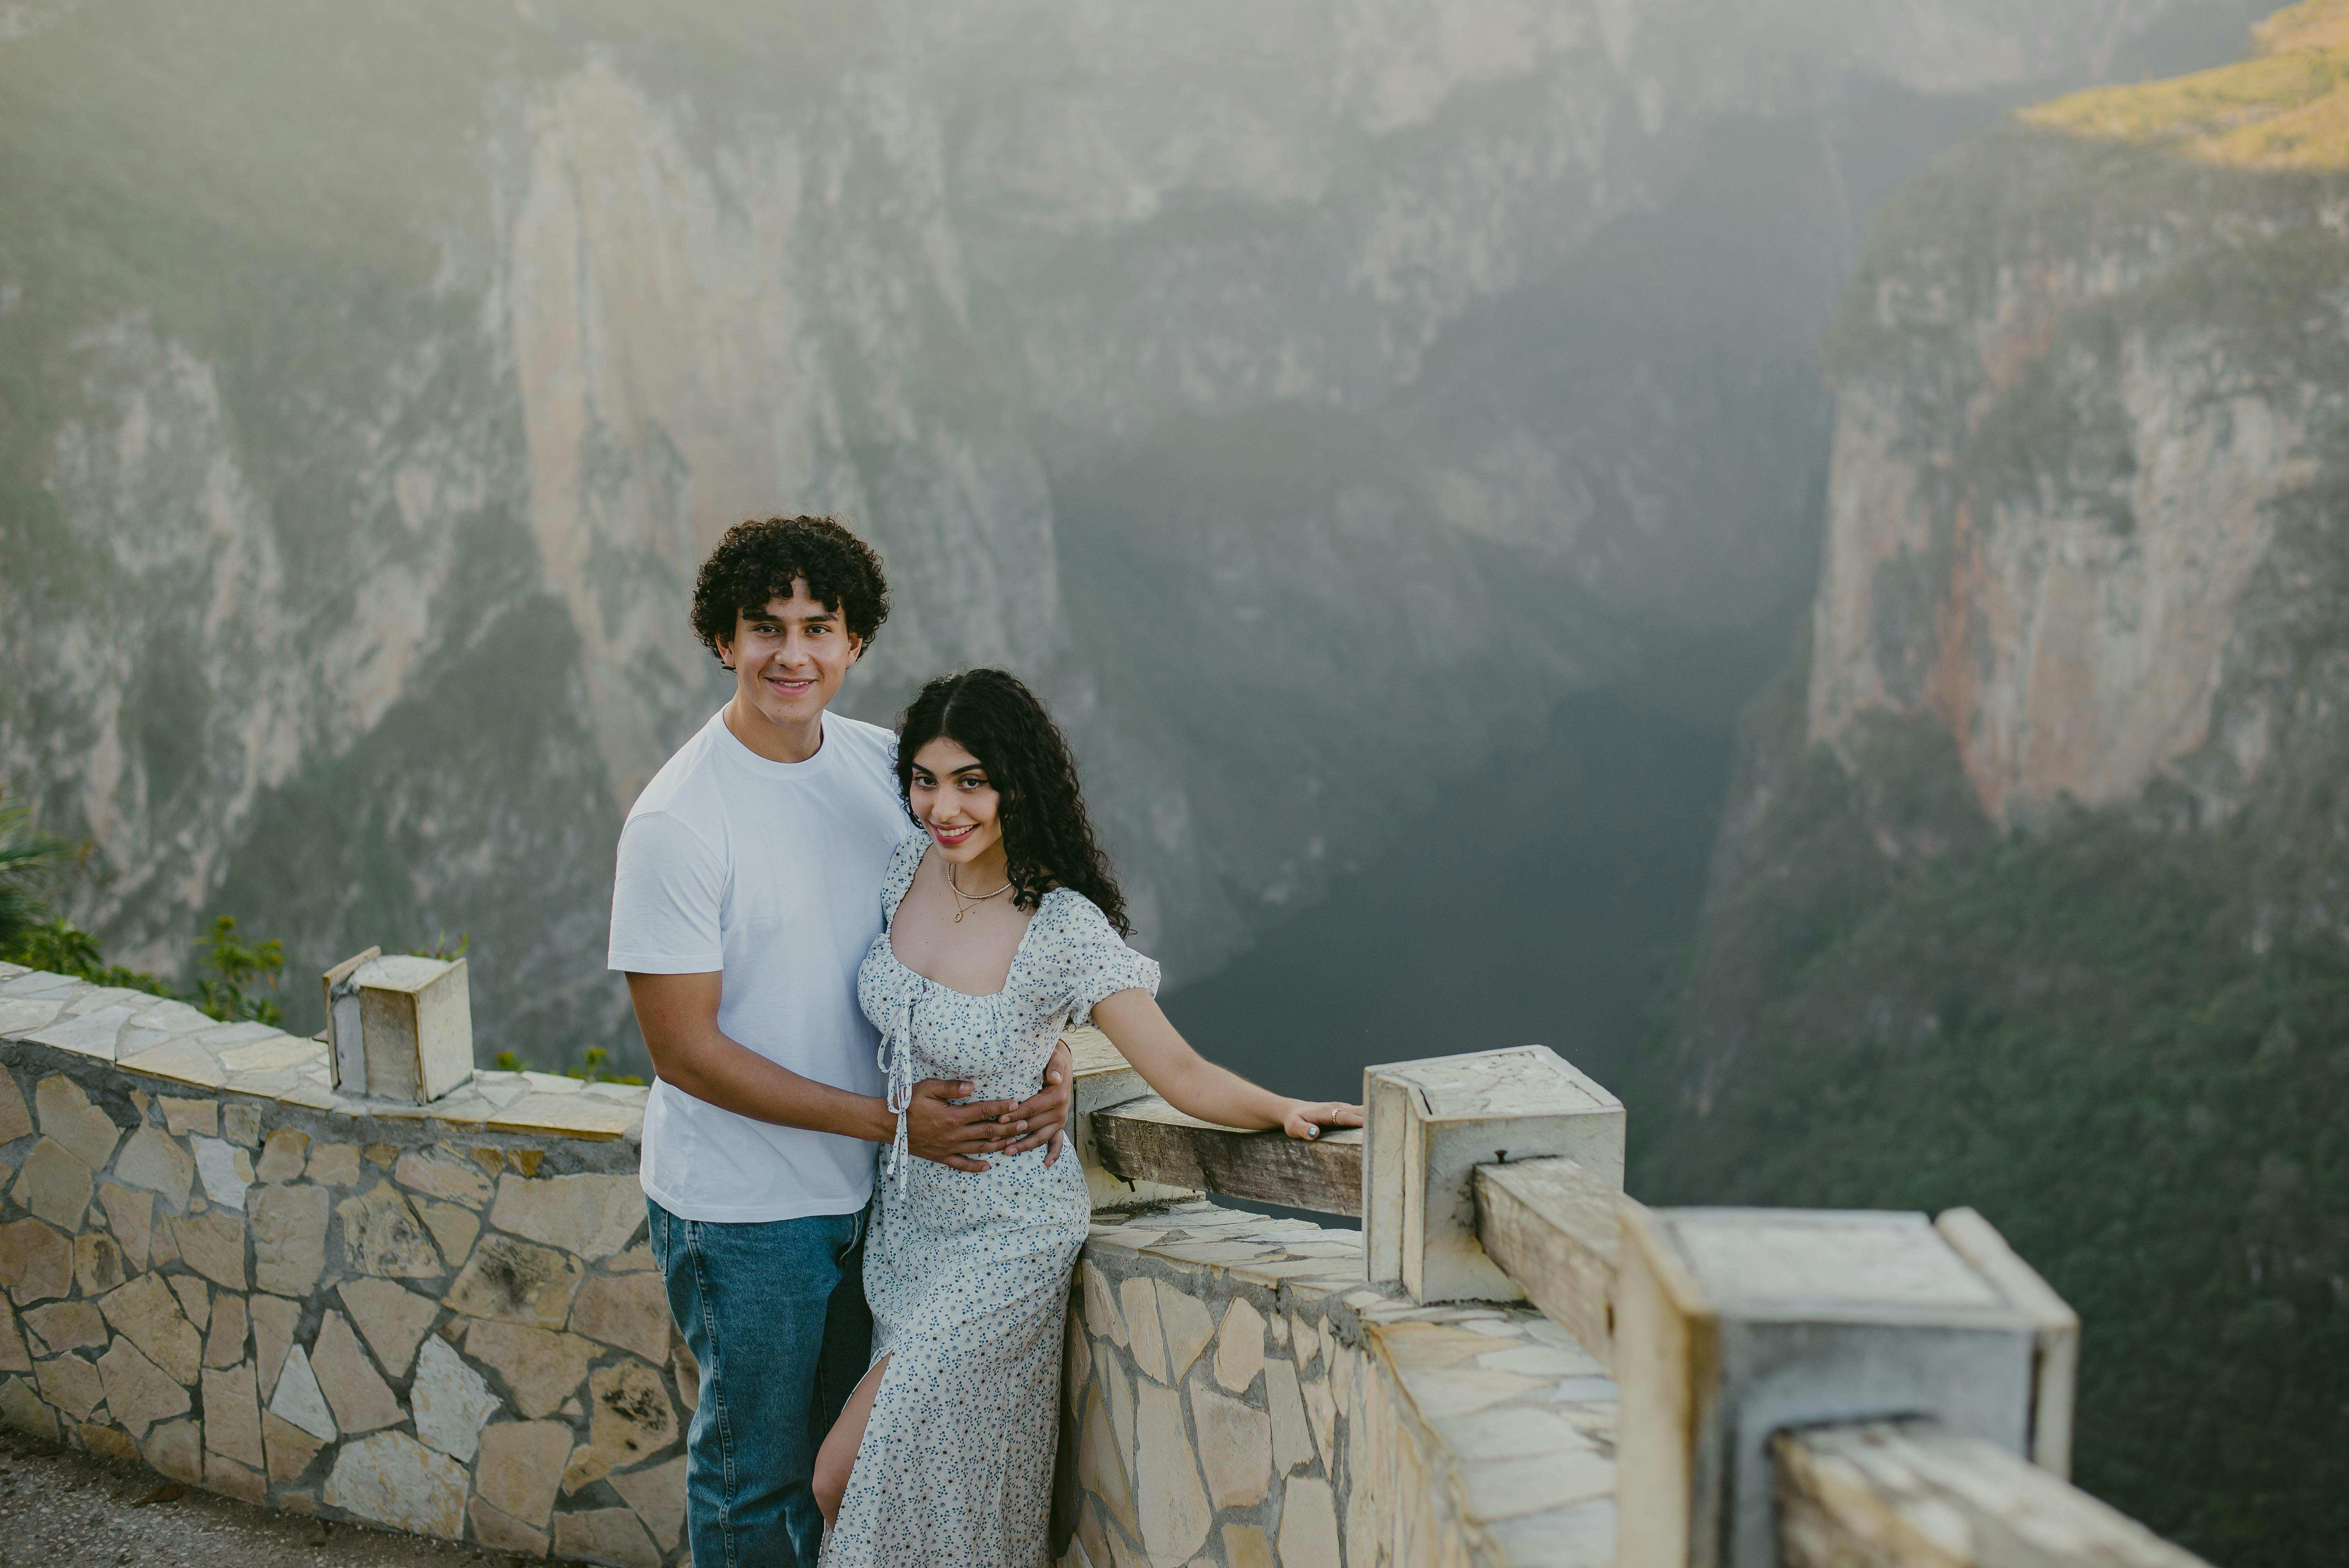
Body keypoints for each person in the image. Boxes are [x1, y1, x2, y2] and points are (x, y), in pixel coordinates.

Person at [811, 668, 1363, 1566]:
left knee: (845, 1475)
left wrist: (1282, 1108)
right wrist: (1040, 1058)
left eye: (970, 780)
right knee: (931, 1494)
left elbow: (1176, 1067)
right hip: (907, 1231)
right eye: (924, 778)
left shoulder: (1059, 927)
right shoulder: (905, 868)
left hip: (1004, 1238)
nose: (941, 806)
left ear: (1015, 784)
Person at [608, 518, 1076, 1568]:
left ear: (856, 641)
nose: (793, 653)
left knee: (844, 1475)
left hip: (879, 1201)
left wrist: (1048, 1052)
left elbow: (986, 922)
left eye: (819, 626)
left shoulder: (885, 773)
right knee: (755, 1482)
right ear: (723, 641)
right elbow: (684, 1052)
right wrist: (891, 1122)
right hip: (746, 1214)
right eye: (765, 627)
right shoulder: (680, 822)